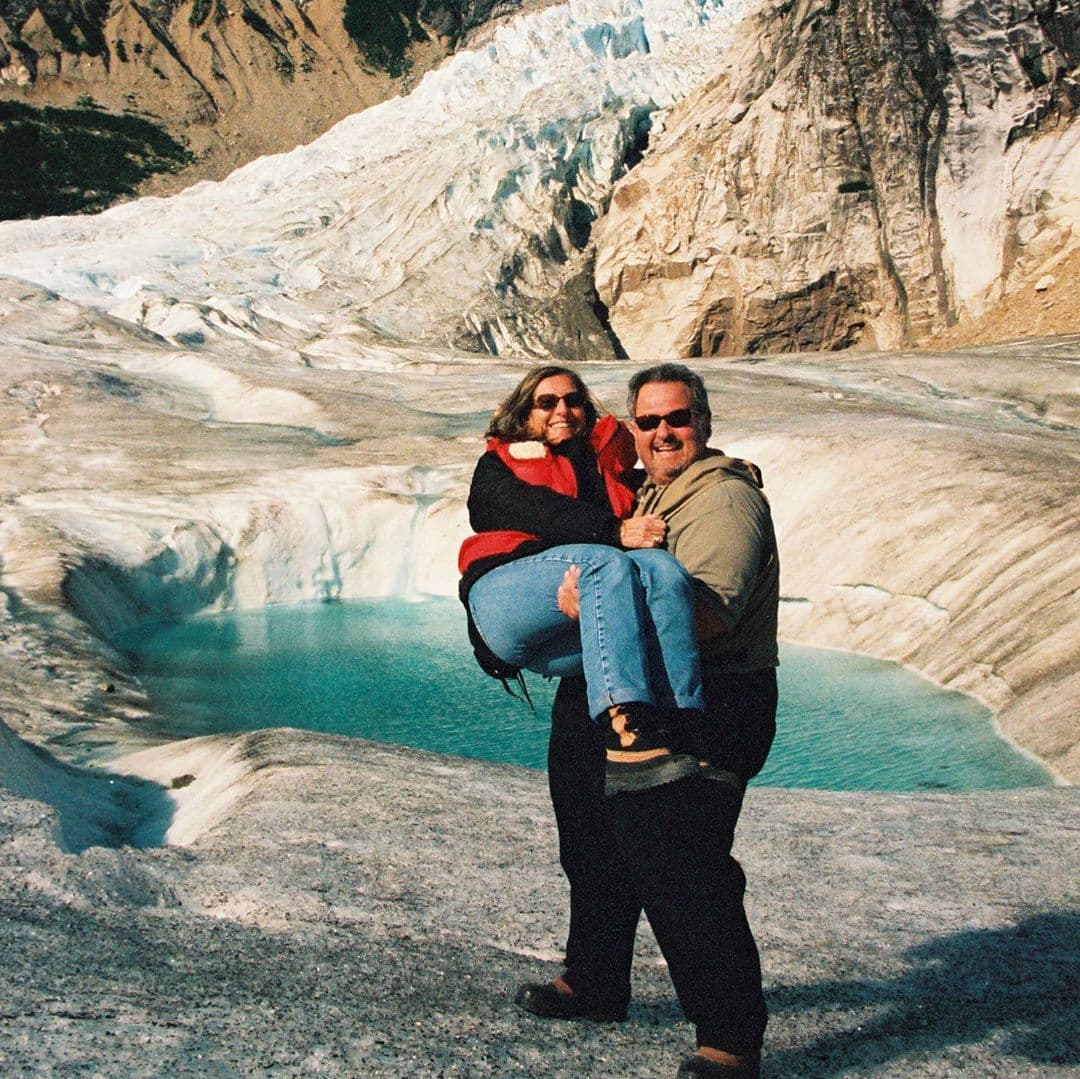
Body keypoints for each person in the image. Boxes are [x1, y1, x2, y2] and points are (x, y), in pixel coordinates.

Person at [515, 363, 780, 1079]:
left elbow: (707, 615)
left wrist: (595, 613)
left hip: (712, 701)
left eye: (679, 418)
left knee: (679, 859)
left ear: (704, 422)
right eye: (651, 420)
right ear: (634, 429)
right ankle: (596, 979)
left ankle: (729, 1037)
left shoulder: (722, 502)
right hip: (637, 691)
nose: (665, 431)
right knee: (594, 829)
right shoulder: (649, 491)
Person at [458, 364, 710, 793]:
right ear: (525, 416)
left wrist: (719, 464)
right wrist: (612, 532)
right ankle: (627, 729)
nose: (563, 410)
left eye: (573, 400)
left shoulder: (601, 467)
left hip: (572, 614)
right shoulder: (501, 464)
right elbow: (524, 507)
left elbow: (666, 464)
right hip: (504, 599)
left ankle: (682, 723)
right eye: (547, 402)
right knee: (606, 563)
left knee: (661, 569)